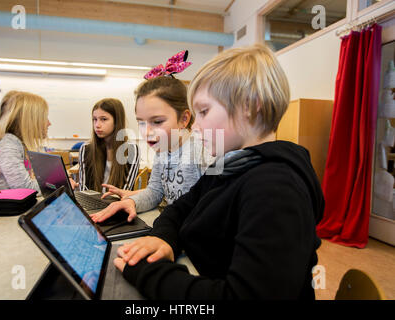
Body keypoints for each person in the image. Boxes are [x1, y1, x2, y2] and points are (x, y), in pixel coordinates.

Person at [112, 44, 325, 300]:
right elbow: (181, 208)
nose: (196, 125)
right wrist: (163, 238)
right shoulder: (229, 166)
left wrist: (149, 275)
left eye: (203, 111)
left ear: (250, 106)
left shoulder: (276, 189)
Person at [91, 74, 214, 224]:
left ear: (184, 119)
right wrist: (131, 202)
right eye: (141, 122)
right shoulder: (162, 150)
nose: (146, 132)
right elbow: (155, 191)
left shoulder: (204, 150)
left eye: (157, 121)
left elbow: (213, 208)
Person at [0, 91, 50, 197]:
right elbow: (26, 189)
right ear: (30, 121)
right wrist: (57, 184)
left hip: (1, 206)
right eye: (45, 118)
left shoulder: (15, 143)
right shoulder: (8, 145)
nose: (49, 123)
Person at [78, 98, 140, 194]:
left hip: (117, 204)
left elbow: (125, 191)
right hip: (91, 204)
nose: (97, 125)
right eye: (95, 119)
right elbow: (83, 189)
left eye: (104, 119)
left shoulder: (131, 150)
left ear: (116, 121)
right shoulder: (86, 149)